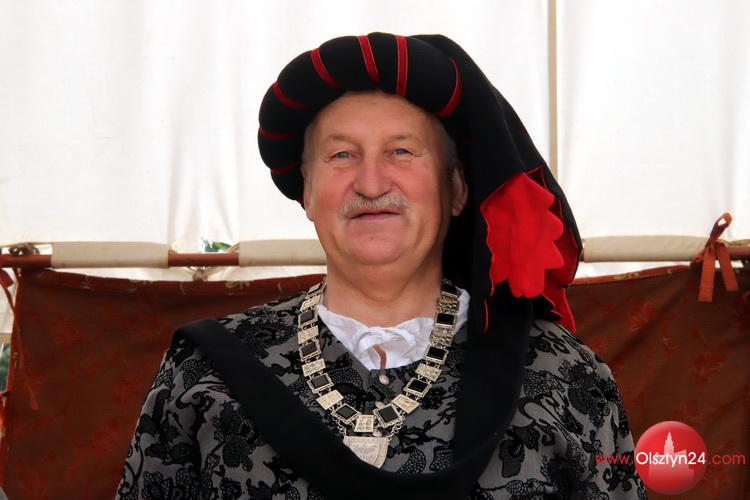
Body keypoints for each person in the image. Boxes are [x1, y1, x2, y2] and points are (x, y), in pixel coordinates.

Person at [117, 33, 646, 499]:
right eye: (341, 155)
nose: (371, 184)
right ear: (307, 192)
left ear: (456, 189)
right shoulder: (203, 374)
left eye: (401, 152)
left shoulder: (563, 374)